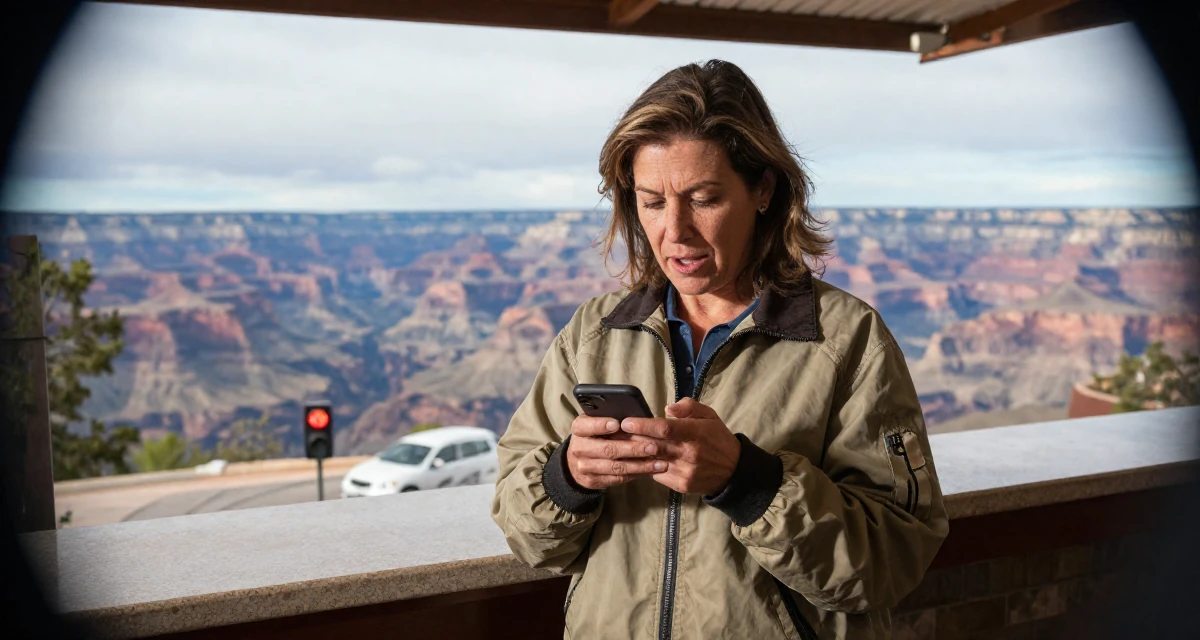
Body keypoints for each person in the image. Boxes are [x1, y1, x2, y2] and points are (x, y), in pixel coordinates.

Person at [492, 59, 948, 640]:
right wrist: (568, 478)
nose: (675, 231)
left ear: (763, 190)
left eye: (704, 198)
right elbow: (527, 537)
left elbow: (895, 558)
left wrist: (748, 482)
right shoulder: (593, 334)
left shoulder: (847, 340)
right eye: (652, 202)